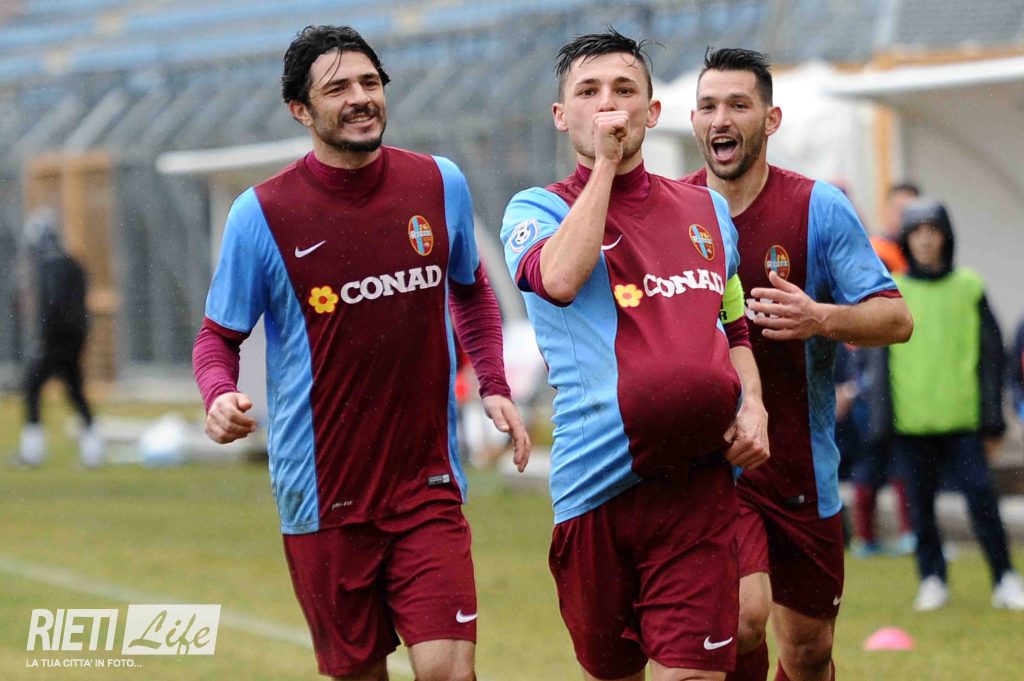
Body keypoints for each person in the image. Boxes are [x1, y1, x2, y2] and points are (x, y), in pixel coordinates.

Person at [192, 25, 530, 681]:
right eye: (338, 88)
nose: (360, 97)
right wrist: (218, 395)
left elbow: (470, 289)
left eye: (370, 82)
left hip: (426, 485)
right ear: (300, 109)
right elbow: (217, 337)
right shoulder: (261, 214)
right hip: (322, 496)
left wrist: (493, 383)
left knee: (450, 671)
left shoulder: (439, 183)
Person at [501, 30, 770, 681]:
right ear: (561, 115)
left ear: (652, 112)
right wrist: (603, 167)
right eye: (589, 92)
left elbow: (732, 321)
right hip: (596, 488)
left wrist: (754, 404)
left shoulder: (707, 210)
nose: (608, 105)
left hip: (697, 487)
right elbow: (559, 279)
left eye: (624, 91)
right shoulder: (535, 209)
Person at [684, 47, 913, 681]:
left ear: (771, 118)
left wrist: (821, 318)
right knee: (741, 620)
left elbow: (896, 318)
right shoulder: (672, 210)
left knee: (809, 652)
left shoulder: (817, 207)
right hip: (712, 466)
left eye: (738, 104)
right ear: (693, 120)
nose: (720, 118)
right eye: (708, 106)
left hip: (800, 464)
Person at [888, 198, 1024, 612]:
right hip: (911, 422)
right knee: (921, 508)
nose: (926, 240)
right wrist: (881, 421)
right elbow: (877, 359)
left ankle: (1004, 577)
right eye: (917, 232)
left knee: (982, 500)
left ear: (946, 236)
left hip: (962, 421)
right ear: (907, 239)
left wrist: (992, 420)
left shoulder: (969, 286)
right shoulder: (894, 288)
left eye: (933, 231)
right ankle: (932, 579)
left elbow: (992, 356)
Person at [15, 207, 104, 469]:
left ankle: (33, 451)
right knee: (75, 391)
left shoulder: (50, 266)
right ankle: (93, 449)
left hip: (55, 340)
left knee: (31, 387)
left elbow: (53, 305)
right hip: (74, 339)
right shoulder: (72, 262)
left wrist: (46, 337)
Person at [870, 182, 919, 275]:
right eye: (900, 209)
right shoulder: (876, 251)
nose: (904, 216)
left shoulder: (926, 251)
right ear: (886, 209)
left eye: (911, 211)